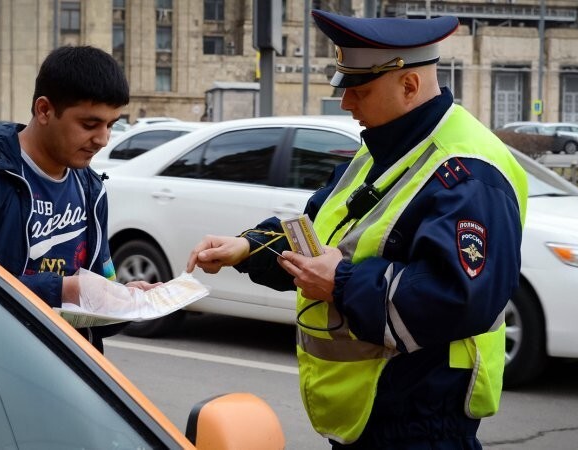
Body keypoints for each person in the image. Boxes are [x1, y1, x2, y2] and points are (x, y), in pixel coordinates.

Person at [187, 10, 528, 449]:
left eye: (359, 90)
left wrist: (341, 284)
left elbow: (462, 297)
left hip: (421, 423)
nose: (346, 105)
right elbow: (320, 230)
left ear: (409, 86)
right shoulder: (385, 147)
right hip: (372, 418)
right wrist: (248, 248)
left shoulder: (468, 171)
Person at [0, 45, 159, 353]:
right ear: (44, 110)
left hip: (63, 371)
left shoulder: (91, 187)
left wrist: (127, 301)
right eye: (89, 125)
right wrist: (63, 290)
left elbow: (95, 300)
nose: (102, 139)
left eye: (110, 125)